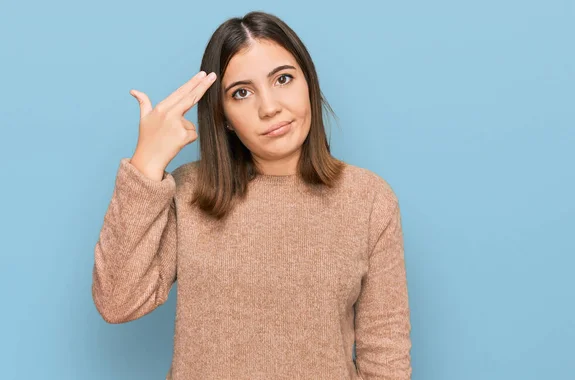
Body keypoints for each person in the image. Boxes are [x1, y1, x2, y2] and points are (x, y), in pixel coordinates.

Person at [91, 10, 412, 380]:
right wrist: (145, 165)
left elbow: (384, 355)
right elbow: (117, 301)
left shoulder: (368, 199)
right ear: (223, 115)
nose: (269, 107)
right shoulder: (190, 191)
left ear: (308, 82)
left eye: (284, 79)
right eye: (241, 93)